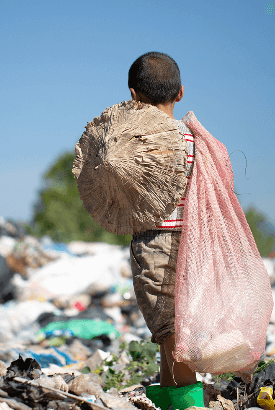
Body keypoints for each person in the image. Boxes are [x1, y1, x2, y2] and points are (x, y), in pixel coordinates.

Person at [128, 52, 204, 410]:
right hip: (191, 241)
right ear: (180, 93)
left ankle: (189, 401)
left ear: (133, 96)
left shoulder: (135, 142)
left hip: (155, 241)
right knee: (172, 324)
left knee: (171, 328)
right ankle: (169, 394)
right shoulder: (193, 140)